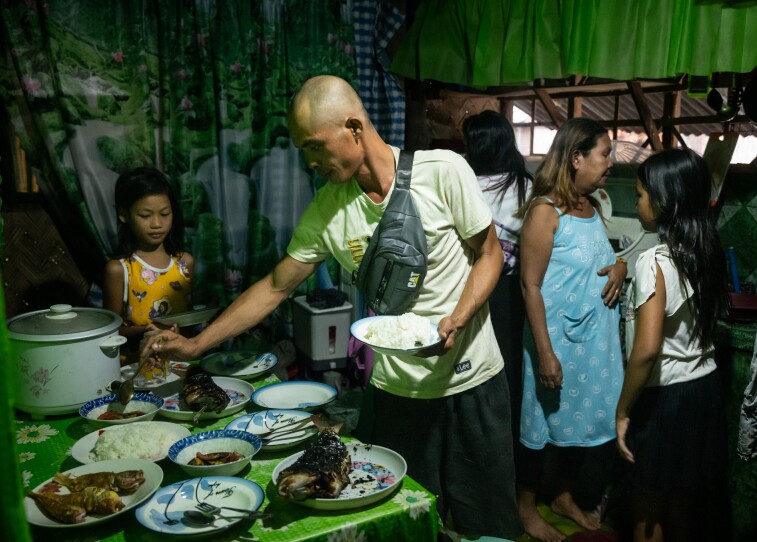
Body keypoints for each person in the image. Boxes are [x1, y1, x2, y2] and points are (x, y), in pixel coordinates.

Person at [142, 75, 522, 540]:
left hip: (472, 380)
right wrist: (197, 343)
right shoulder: (327, 209)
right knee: (403, 525)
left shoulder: (443, 171)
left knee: (487, 524)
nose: (311, 162)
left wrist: (457, 319)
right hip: (396, 392)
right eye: (305, 151)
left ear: (354, 128)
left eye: (315, 147)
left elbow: (489, 254)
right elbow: (276, 286)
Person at [516, 117, 627, 542]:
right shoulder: (546, 212)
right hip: (557, 342)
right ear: (576, 157)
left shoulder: (591, 205)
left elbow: (604, 256)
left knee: (576, 426)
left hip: (590, 346)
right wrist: (545, 353)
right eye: (604, 154)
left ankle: (562, 496)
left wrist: (620, 266)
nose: (610, 163)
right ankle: (526, 509)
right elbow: (530, 285)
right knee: (539, 428)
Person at [615, 149, 730, 542]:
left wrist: (623, 409)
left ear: (664, 201)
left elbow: (646, 350)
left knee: (648, 512)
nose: (637, 203)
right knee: (683, 502)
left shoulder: (654, 261)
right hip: (704, 390)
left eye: (640, 196)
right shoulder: (708, 248)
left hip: (666, 399)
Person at [462, 109, 532, 443]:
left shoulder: (465, 185)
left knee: (472, 369)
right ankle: (507, 445)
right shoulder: (525, 186)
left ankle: (476, 440)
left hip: (470, 288)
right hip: (510, 294)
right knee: (506, 371)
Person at [103, 166, 193, 367]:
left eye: (165, 213)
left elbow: (188, 322)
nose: (157, 223)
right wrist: (147, 330)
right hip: (137, 369)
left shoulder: (184, 263)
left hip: (181, 366)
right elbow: (110, 333)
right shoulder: (120, 269)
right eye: (145, 215)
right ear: (124, 215)